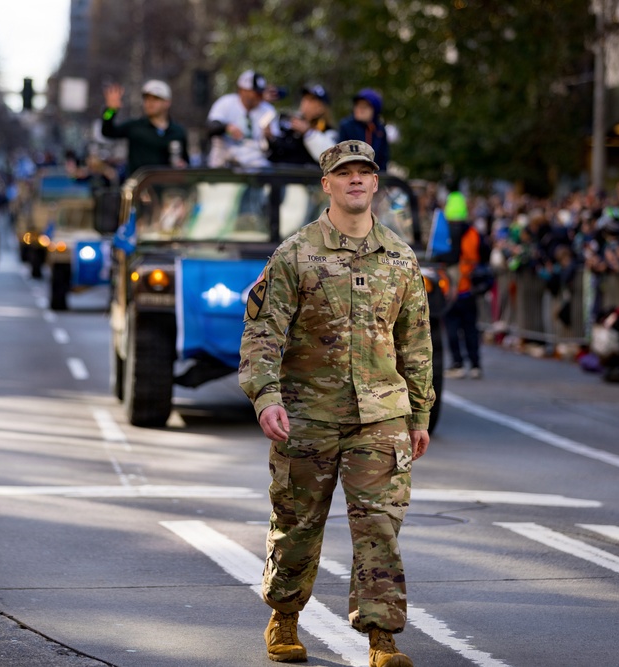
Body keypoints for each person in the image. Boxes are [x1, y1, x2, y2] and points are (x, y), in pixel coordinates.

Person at [239, 140, 433, 667]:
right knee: (298, 523)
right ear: (326, 184)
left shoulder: (400, 257)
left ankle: (382, 637)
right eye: (343, 173)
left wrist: (419, 413)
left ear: (375, 184)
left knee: (380, 527)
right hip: (308, 415)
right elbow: (263, 333)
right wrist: (266, 397)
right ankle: (284, 614)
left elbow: (415, 340)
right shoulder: (295, 253)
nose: (354, 180)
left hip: (381, 417)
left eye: (364, 173)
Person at [101, 79, 189, 179]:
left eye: (155, 99)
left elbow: (185, 161)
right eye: (147, 99)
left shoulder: (177, 131)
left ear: (167, 102)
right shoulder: (135, 126)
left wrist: (182, 166)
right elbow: (107, 131)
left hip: (167, 187)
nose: (150, 103)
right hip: (140, 187)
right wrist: (110, 111)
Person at [443, 191, 484, 379]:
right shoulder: (473, 233)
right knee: (470, 328)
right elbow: (483, 255)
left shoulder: (444, 232)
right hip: (468, 288)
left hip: (450, 289)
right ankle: (475, 364)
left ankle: (457, 363)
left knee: (452, 327)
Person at [206, 69, 279, 167]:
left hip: (255, 166)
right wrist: (226, 127)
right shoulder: (226, 103)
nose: (258, 96)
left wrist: (270, 137)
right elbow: (210, 127)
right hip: (223, 165)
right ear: (242, 90)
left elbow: (277, 144)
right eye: (255, 92)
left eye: (260, 93)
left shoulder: (268, 110)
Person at [267, 83, 337, 166]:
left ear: (321, 108)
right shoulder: (288, 122)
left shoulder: (328, 131)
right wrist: (270, 137)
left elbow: (329, 157)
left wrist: (308, 133)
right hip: (278, 172)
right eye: (305, 98)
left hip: (306, 176)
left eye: (311, 100)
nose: (305, 102)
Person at [337, 89, 390, 171]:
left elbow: (383, 159)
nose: (360, 109)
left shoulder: (380, 130)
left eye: (364, 107)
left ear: (374, 110)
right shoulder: (346, 126)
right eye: (357, 106)